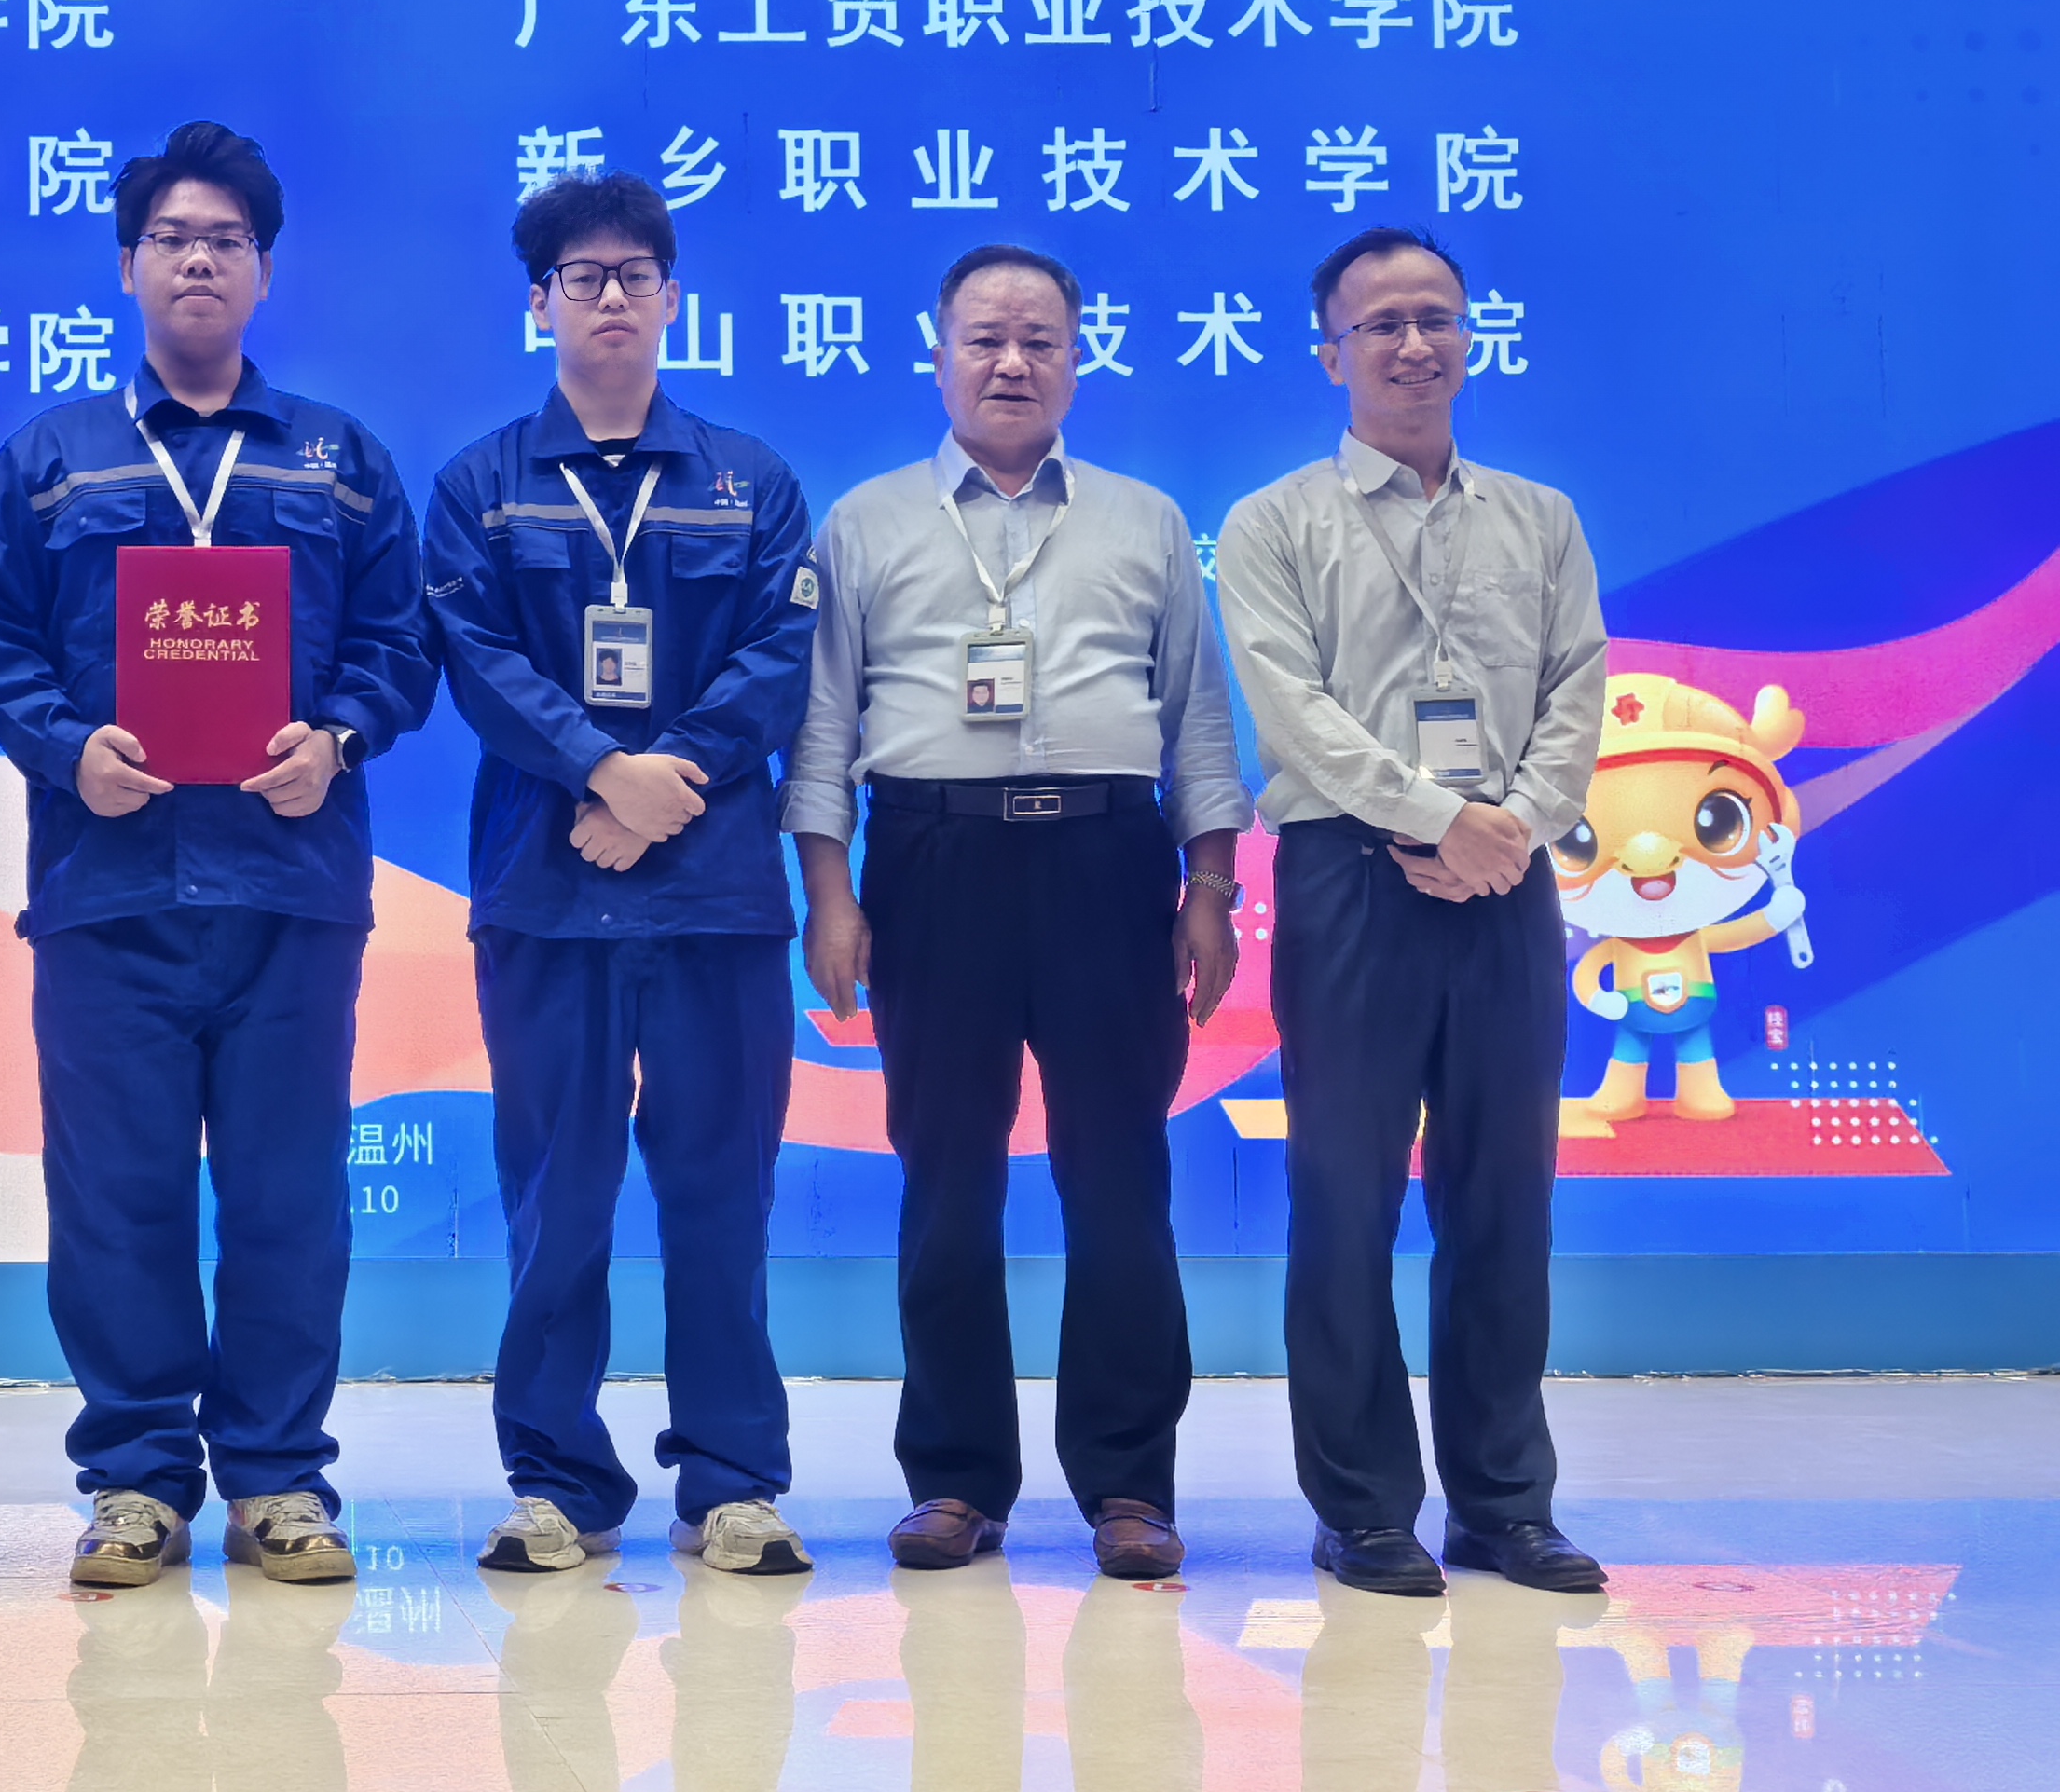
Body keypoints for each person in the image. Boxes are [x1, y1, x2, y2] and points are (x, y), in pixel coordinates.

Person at [0, 121, 435, 1589]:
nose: (199, 261)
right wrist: (66, 749)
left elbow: (401, 640)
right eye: (173, 239)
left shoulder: (341, 459)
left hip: (291, 887)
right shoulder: (49, 459)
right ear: (129, 267)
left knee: (289, 1199)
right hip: (110, 890)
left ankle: (280, 1480)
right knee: (120, 1200)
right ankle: (137, 1479)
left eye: (226, 240)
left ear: (265, 271)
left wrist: (336, 739)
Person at [788, 243, 1250, 1582]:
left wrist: (1209, 888)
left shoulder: (1145, 520)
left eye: (1039, 340)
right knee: (946, 1181)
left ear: (1076, 361)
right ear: (937, 355)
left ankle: (1129, 1483)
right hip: (932, 864)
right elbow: (822, 729)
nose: (1010, 363)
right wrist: (830, 894)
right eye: (984, 339)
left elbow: (1197, 722)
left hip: (1110, 865)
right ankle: (955, 1476)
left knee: (1122, 1180)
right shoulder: (866, 521)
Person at [419, 172, 819, 1579]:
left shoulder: (749, 479)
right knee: (557, 1199)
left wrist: (666, 785)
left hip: (715, 894)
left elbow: (781, 657)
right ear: (540, 303)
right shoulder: (480, 485)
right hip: (547, 889)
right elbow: (479, 662)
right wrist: (603, 771)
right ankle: (557, 1481)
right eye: (580, 276)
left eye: (633, 275)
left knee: (722, 1193)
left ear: (671, 298)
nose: (608, 297)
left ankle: (733, 1481)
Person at [1217, 226, 1610, 1598]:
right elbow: (1294, 715)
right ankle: (1365, 1507)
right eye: (1379, 323)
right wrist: (1441, 818)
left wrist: (1518, 827)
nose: (1412, 343)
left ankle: (1505, 1504)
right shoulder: (1273, 525)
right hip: (1352, 874)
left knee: (1505, 1197)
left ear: (1469, 337)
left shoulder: (1541, 519)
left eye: (1436, 317)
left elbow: (1578, 687)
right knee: (1346, 1198)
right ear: (1329, 352)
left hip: (1508, 879)